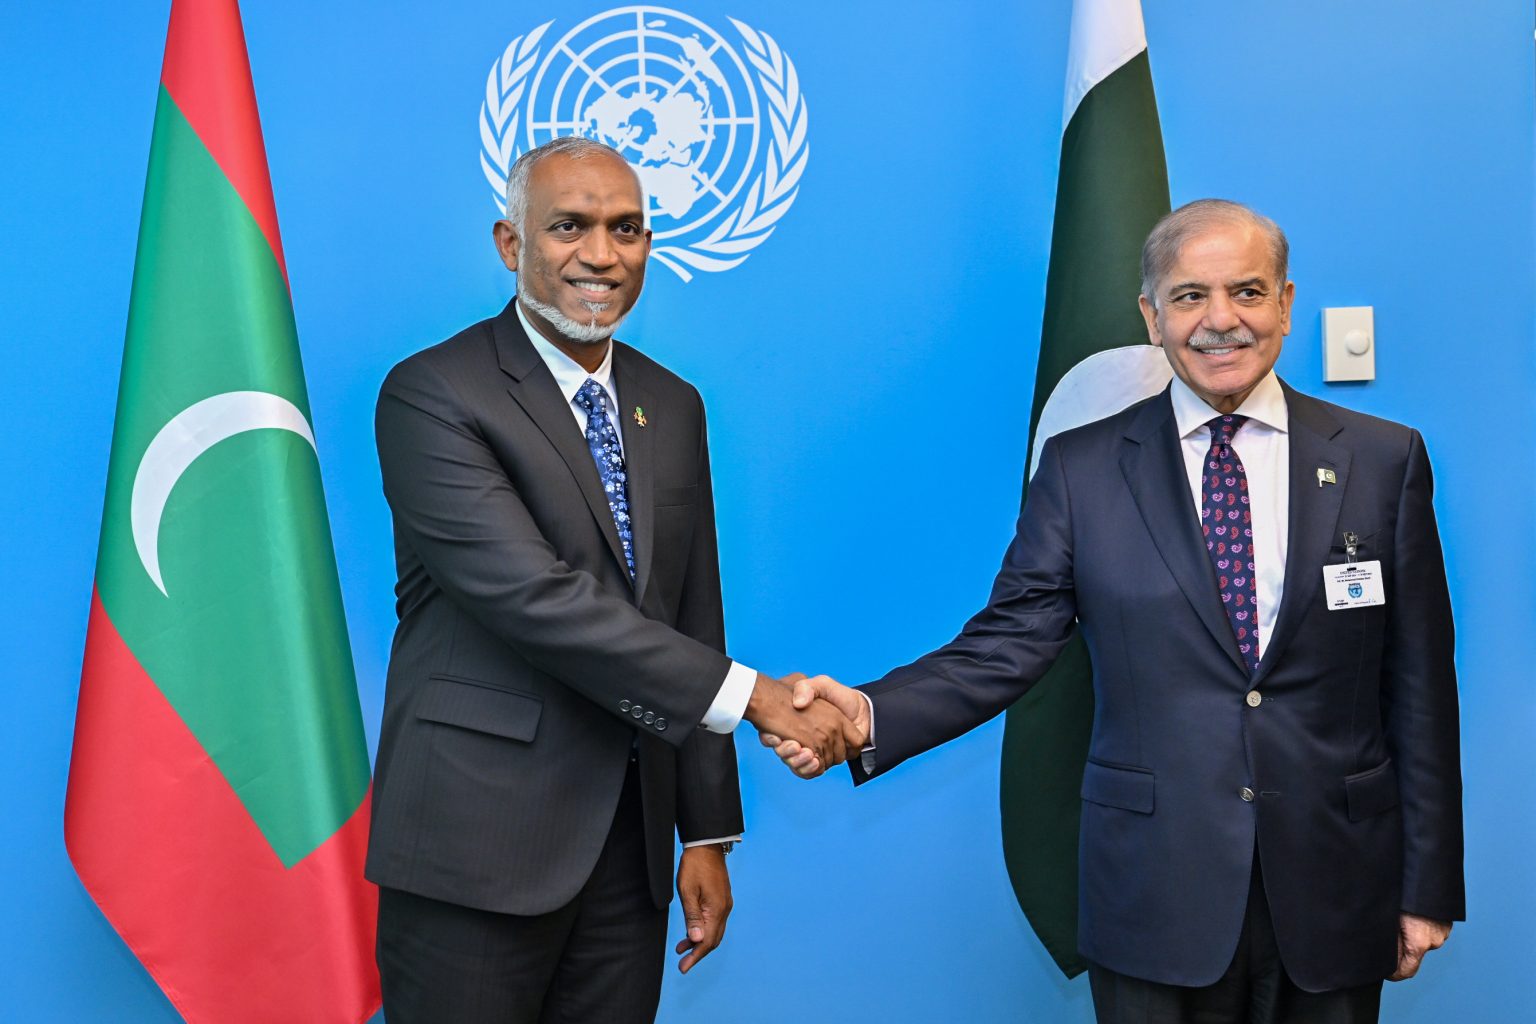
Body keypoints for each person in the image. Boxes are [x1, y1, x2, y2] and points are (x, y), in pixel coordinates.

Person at [767, 200, 1463, 1023]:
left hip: (1337, 886)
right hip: (1154, 894)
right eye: (1190, 296)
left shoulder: (1384, 459)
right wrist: (868, 714)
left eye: (1247, 291)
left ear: (1284, 304)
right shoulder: (1083, 470)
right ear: (1151, 316)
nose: (1221, 320)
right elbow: (1006, 645)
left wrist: (1427, 887)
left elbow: (1420, 687)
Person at [366, 136, 862, 1024]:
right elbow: (535, 599)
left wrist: (706, 831)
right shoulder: (434, 393)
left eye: (626, 229)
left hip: (629, 857)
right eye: (569, 227)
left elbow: (691, 614)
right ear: (511, 244)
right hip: (476, 847)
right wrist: (759, 700)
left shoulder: (671, 403)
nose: (602, 254)